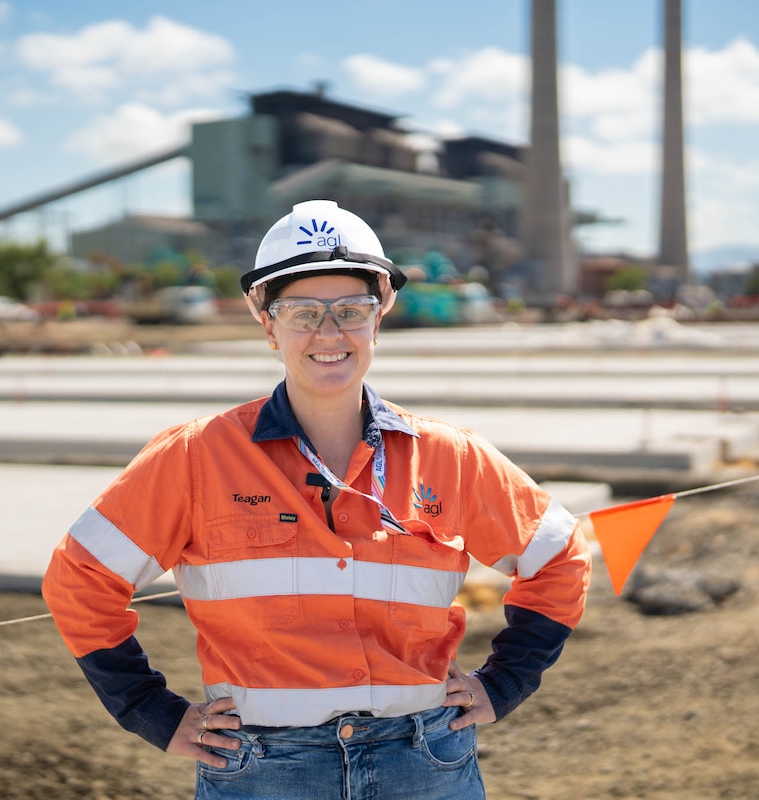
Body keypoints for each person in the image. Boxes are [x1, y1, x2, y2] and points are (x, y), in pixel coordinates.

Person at [42, 199, 591, 799]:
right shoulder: (196, 456)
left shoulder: (449, 455)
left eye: (351, 310)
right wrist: (149, 711)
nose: (329, 334)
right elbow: (81, 580)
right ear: (266, 321)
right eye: (304, 312)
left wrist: (506, 681)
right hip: (264, 771)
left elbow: (559, 555)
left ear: (379, 316)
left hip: (423, 763)